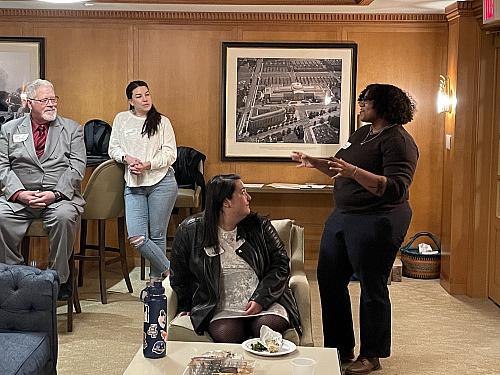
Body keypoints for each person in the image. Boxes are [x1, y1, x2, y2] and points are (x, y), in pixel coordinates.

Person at [291, 83, 418, 374]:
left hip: (379, 218)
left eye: (366, 102)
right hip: (344, 215)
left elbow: (396, 188)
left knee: (372, 285)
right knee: (329, 277)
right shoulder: (362, 134)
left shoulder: (398, 141)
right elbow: (340, 167)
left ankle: (371, 355)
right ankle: (340, 347)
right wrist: (313, 162)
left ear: (383, 106)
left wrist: (354, 173)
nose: (360, 106)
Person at [170, 174, 301, 343]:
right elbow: (179, 274)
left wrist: (261, 299)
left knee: (268, 326)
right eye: (243, 192)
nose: (249, 197)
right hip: (222, 306)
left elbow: (281, 264)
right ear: (226, 202)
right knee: (226, 334)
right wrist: (185, 306)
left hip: (265, 301)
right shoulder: (190, 230)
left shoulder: (260, 226)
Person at [0, 79, 86, 299]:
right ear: (29, 103)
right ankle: (15, 278)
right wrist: (19, 194)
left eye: (53, 99)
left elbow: (77, 168)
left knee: (65, 217)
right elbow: (2, 166)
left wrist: (55, 194)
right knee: (1, 215)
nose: (51, 104)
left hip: (58, 197)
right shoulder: (9, 130)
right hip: (20, 197)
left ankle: (58, 280)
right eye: (45, 100)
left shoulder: (72, 129)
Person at [108, 80, 177, 284]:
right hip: (134, 184)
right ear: (130, 101)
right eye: (139, 96)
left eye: (147, 94)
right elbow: (113, 148)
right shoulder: (121, 119)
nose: (145, 99)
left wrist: (148, 164)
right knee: (137, 237)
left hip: (161, 182)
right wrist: (127, 158)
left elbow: (170, 153)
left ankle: (156, 286)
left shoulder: (162, 121)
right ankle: (174, 275)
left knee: (157, 235)